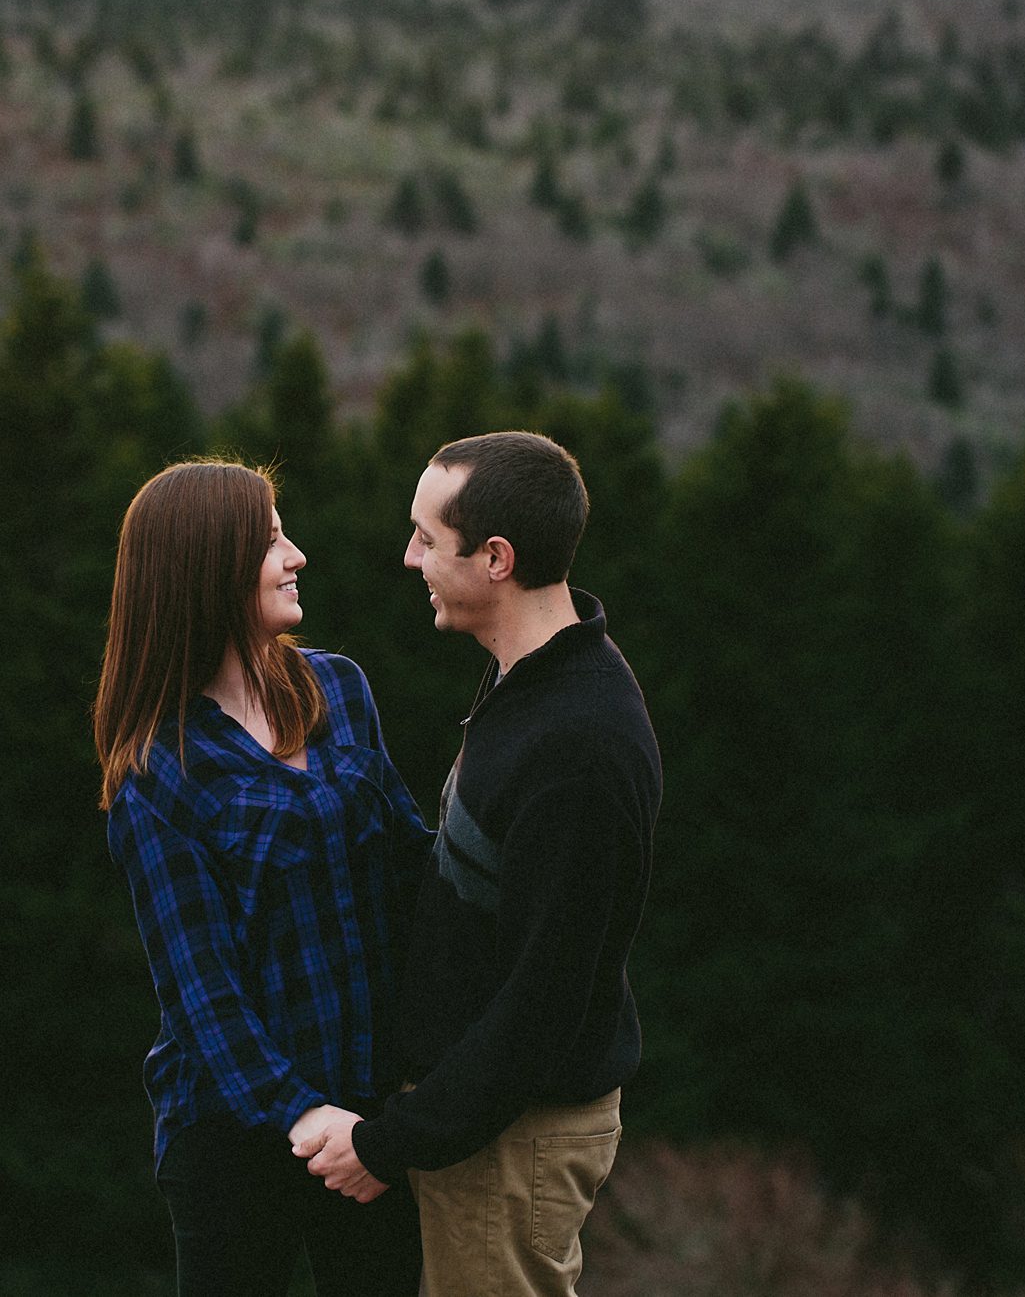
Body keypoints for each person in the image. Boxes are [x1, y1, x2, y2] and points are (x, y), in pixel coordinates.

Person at [295, 431, 661, 1295]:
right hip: (486, 1127)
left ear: (495, 558)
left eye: (427, 537)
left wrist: (392, 1143)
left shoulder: (579, 744)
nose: (409, 555)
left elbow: (544, 999)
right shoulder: (529, 683)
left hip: (513, 1138)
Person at [93, 460, 427, 1296]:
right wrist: (302, 1114)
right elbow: (202, 992)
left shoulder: (339, 688)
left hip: (372, 1122)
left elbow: (411, 861)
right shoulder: (157, 773)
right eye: (271, 538)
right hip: (235, 1136)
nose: (297, 553)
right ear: (208, 566)